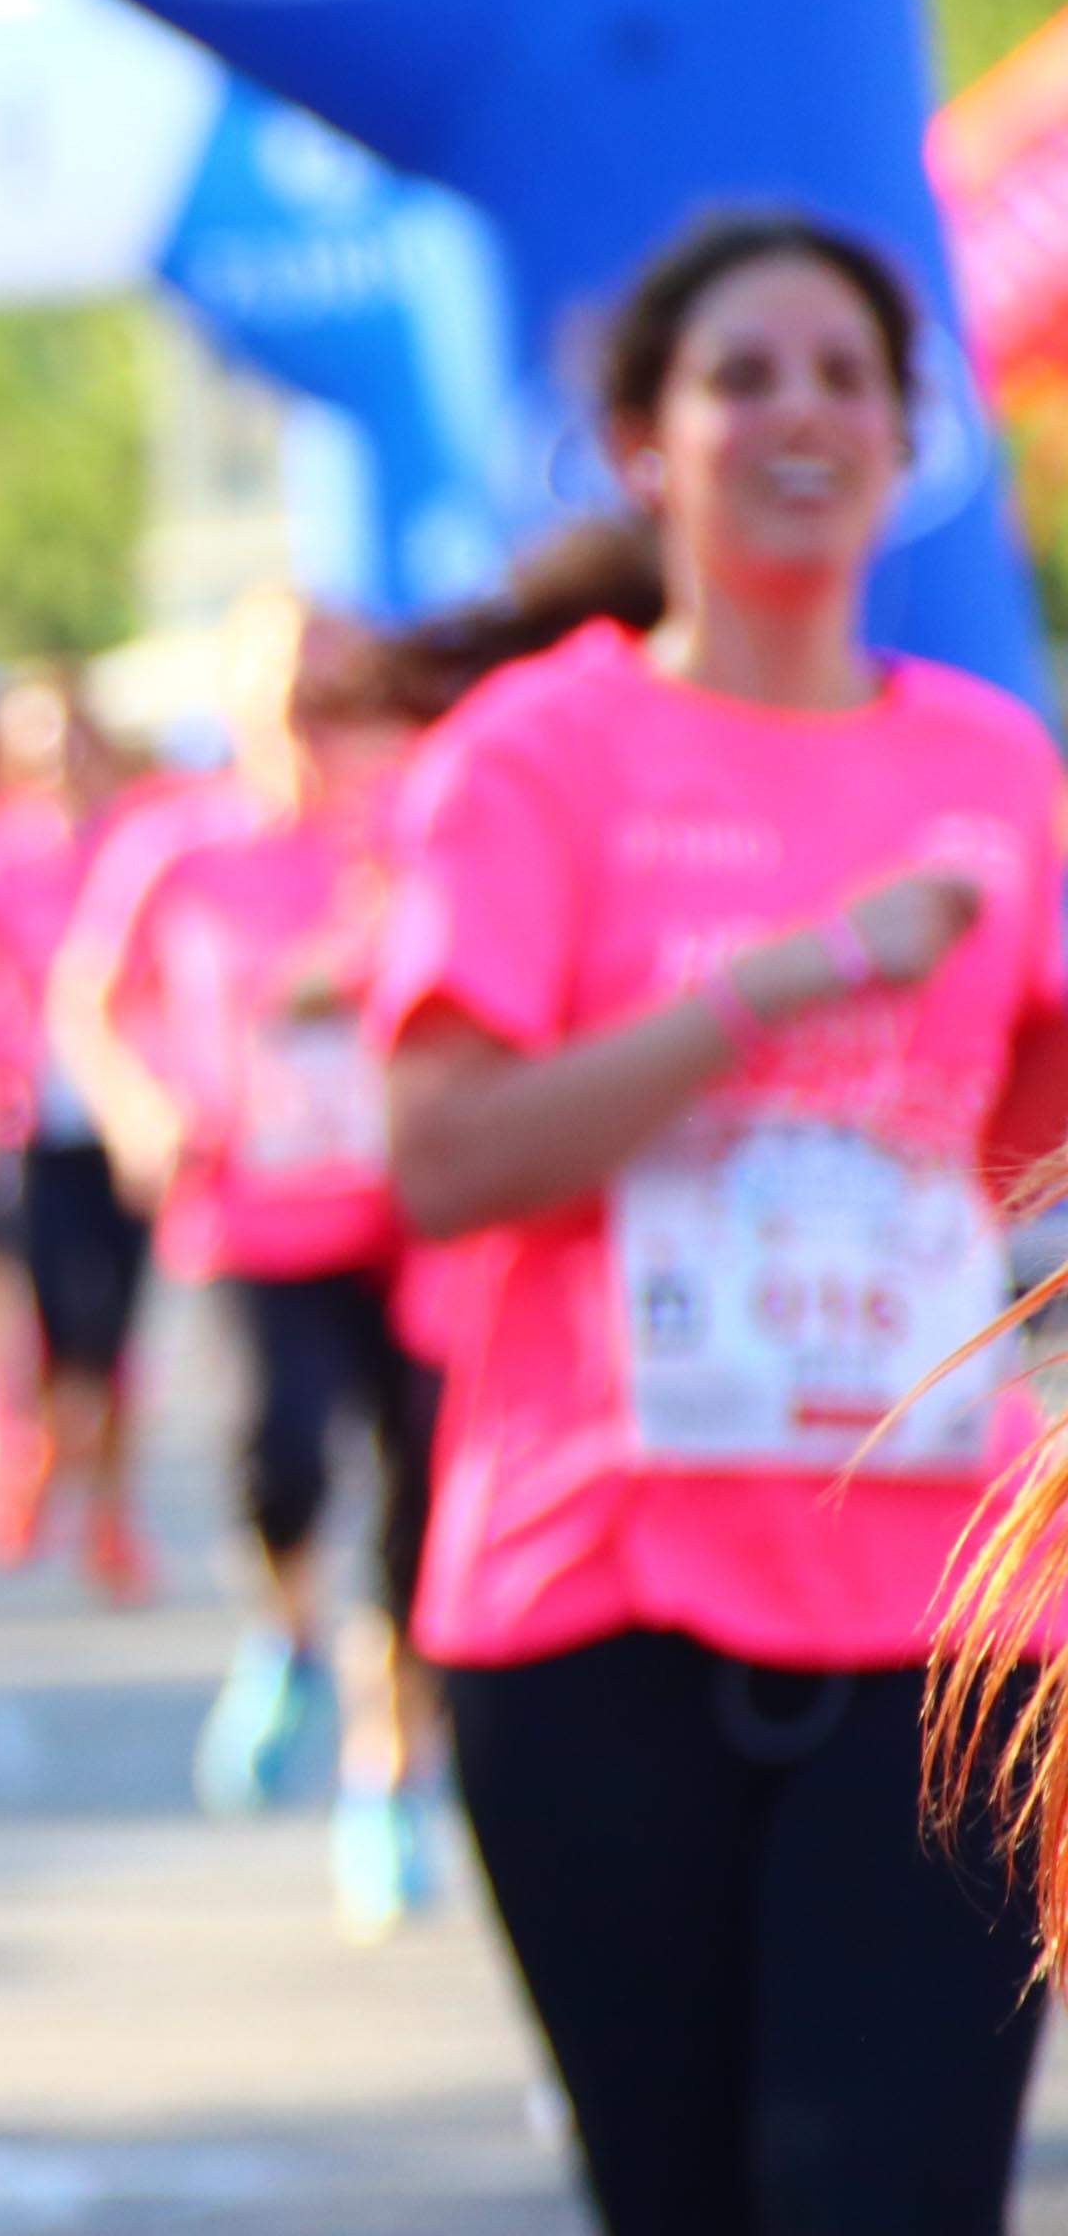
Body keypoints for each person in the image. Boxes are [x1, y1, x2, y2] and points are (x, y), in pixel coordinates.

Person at [372, 214, 1068, 2234]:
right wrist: (785, 979)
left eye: (845, 375)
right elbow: (443, 1158)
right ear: (636, 442)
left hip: (946, 1609)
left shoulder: (988, 760)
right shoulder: (534, 754)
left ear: (903, 439)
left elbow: (1025, 1160)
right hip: (598, 1593)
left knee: (897, 2194)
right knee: (679, 2195)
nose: (799, 413)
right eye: (740, 374)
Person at [51, 591, 442, 1935]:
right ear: (239, 705)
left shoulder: (414, 837)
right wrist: (137, 1109)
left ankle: (385, 1781)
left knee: (415, 1511)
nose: (313, 725)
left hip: (412, 1224)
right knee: (281, 1459)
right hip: (251, 1220)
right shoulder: (176, 847)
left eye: (339, 695)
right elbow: (87, 999)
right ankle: (285, 1632)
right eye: (289, 696)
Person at [0, 669, 181, 1599]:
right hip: (32, 1132)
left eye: (72, 742)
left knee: (120, 1331)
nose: (60, 762)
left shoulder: (138, 850)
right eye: (42, 746)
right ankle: (45, 1458)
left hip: (124, 1131)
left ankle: (110, 1512)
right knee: (57, 1327)